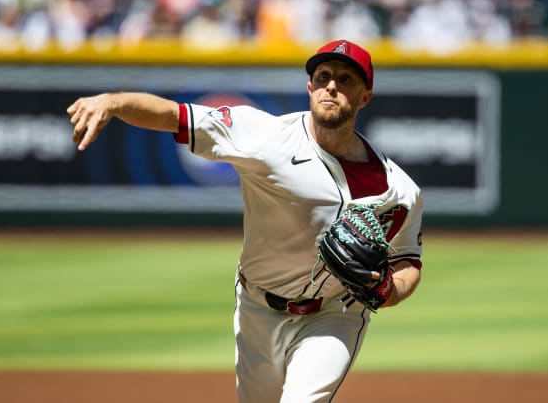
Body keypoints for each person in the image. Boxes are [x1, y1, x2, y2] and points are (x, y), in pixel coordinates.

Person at [67, 39, 424, 403]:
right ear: (310, 88)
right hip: (257, 308)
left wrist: (389, 291)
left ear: (365, 96)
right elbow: (173, 115)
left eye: (346, 79)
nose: (332, 85)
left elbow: (408, 262)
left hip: (334, 316)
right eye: (324, 76)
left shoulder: (397, 189)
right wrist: (112, 102)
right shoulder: (265, 137)